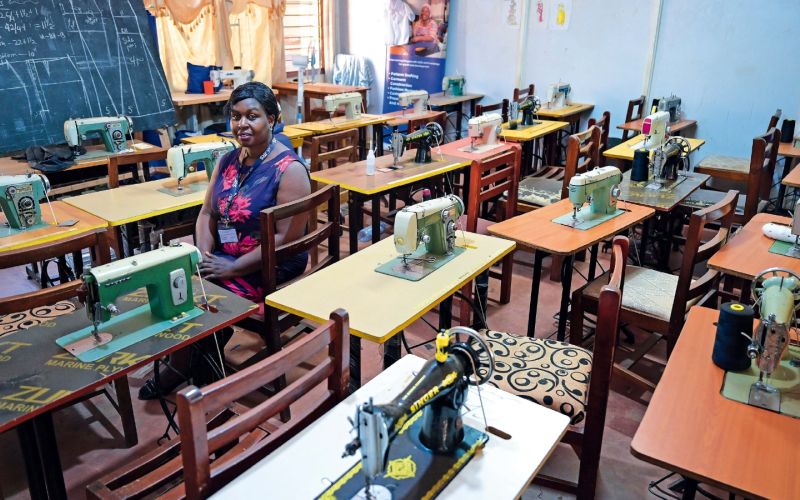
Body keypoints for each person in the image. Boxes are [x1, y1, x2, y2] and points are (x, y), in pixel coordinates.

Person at [139, 82, 311, 399]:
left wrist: (231, 269)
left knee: (203, 295)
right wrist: (204, 255)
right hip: (226, 255)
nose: (242, 124)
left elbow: (284, 239)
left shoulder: (290, 171)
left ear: (272, 119)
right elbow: (207, 214)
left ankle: (193, 369)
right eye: (235, 116)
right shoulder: (227, 161)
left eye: (252, 116)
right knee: (175, 280)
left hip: (272, 262)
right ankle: (199, 360)